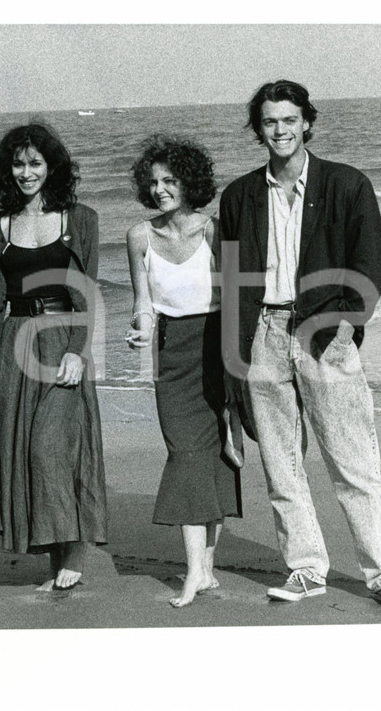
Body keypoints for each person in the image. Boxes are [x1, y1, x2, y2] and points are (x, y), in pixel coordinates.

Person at [220, 79, 381, 610]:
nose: (280, 130)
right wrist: (235, 350)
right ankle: (306, 568)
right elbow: (231, 279)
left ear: (307, 122)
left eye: (289, 120)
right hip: (261, 333)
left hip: (325, 333)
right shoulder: (239, 196)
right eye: (269, 121)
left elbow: (369, 261)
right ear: (258, 129)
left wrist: (348, 325)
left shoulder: (347, 184)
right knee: (281, 463)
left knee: (353, 460)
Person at [0, 122, 107, 591]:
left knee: (52, 448)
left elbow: (86, 291)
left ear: (53, 167)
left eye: (35, 163)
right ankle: (55, 559)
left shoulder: (80, 218)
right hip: (15, 343)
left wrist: (78, 351)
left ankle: (74, 552)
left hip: (62, 338)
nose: (26, 172)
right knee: (26, 452)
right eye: (18, 163)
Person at [125, 134, 243, 608]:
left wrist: (237, 367)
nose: (160, 190)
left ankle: (205, 570)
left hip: (216, 346)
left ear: (190, 181)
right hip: (170, 352)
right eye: (154, 182)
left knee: (215, 454)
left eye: (170, 180)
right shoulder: (139, 236)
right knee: (185, 452)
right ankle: (195, 570)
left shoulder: (215, 231)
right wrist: (140, 329)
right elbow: (143, 301)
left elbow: (234, 299)